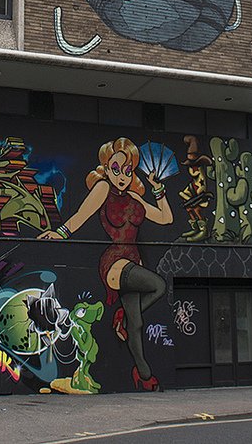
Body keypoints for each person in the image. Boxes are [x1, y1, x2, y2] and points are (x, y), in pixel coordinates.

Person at [43, 137, 172, 390]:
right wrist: (60, 233)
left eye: (127, 170)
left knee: (136, 324)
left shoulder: (135, 197)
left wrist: (158, 189)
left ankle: (143, 375)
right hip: (114, 263)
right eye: (116, 169)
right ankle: (121, 318)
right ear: (106, 168)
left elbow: (165, 218)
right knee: (158, 285)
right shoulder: (103, 188)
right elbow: (82, 214)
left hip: (133, 262)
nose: (122, 176)